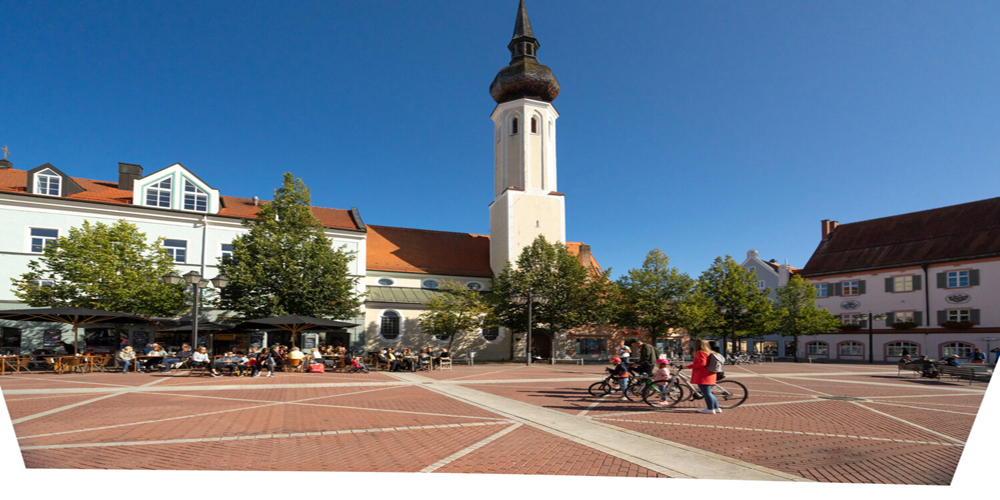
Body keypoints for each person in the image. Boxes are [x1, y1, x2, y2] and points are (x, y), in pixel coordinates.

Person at [685, 339, 720, 414]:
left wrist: (689, 366)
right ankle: (716, 407)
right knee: (709, 392)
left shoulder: (700, 352)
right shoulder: (710, 352)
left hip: (703, 375)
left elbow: (702, 363)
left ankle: (710, 409)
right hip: (710, 374)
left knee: (706, 393)